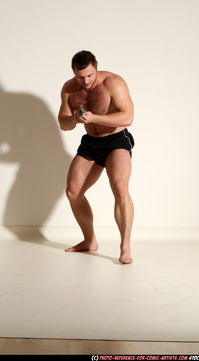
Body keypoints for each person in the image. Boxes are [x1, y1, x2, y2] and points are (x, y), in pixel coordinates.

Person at [58, 50, 135, 264]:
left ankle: (125, 246)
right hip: (91, 142)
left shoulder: (113, 82)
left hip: (116, 140)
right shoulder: (69, 89)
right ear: (74, 73)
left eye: (90, 75)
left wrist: (95, 117)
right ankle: (89, 241)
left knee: (120, 187)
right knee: (73, 192)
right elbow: (63, 124)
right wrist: (74, 118)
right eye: (80, 77)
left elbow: (128, 117)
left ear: (96, 68)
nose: (86, 81)